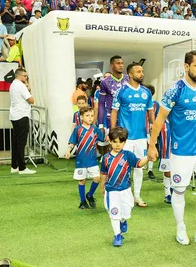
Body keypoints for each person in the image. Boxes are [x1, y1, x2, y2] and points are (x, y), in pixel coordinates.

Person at [148, 50, 196, 252]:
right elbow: (159, 120)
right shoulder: (175, 91)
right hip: (180, 152)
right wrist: (152, 145)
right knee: (179, 192)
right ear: (186, 66)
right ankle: (181, 228)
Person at [111, 63, 154, 207]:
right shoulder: (121, 91)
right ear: (130, 74)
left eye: (142, 71)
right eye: (138, 71)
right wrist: (113, 132)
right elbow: (114, 112)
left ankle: (137, 196)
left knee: (139, 167)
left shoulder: (146, 92)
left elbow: (150, 111)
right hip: (126, 138)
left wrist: (153, 126)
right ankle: (122, 195)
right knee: (124, 166)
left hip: (141, 136)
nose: (141, 74)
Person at [100, 127, 149, 247]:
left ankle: (123, 220)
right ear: (110, 141)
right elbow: (103, 173)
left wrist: (148, 158)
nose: (118, 145)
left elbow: (138, 164)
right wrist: (102, 186)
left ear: (125, 142)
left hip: (125, 190)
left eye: (121, 142)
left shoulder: (128, 155)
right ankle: (117, 235)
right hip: (111, 191)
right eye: (115, 142)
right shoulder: (106, 158)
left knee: (127, 210)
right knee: (114, 212)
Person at [65, 106, 105, 209]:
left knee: (97, 178)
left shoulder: (95, 129)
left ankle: (90, 194)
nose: (90, 118)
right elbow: (72, 142)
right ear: (81, 117)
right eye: (87, 116)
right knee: (82, 180)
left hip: (92, 160)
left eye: (92, 115)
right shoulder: (77, 130)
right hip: (81, 161)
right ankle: (82, 202)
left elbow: (103, 139)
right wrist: (68, 151)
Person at [9, 68, 36, 175]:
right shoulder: (20, 85)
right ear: (20, 76)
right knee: (21, 143)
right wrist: (28, 89)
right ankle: (22, 167)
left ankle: (14, 166)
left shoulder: (13, 84)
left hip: (15, 115)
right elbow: (31, 100)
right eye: (25, 76)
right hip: (22, 115)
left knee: (16, 142)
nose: (26, 78)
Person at [98, 56, 128, 129]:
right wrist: (100, 125)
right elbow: (101, 104)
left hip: (127, 118)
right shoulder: (105, 82)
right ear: (111, 65)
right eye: (118, 63)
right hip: (112, 119)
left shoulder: (129, 79)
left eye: (122, 63)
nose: (121, 65)